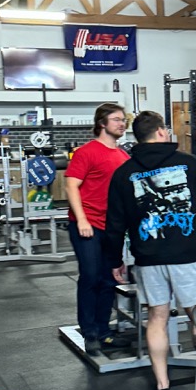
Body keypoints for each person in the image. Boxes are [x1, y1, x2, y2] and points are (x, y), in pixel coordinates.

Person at [105, 110, 196, 390]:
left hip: (148, 257)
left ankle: (163, 386)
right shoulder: (189, 163)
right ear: (160, 132)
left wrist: (115, 260)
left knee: (157, 318)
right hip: (187, 255)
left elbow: (115, 223)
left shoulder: (124, 172)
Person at [65, 102, 130, 355]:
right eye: (116, 119)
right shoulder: (86, 152)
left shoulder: (123, 156)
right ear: (102, 123)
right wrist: (82, 220)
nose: (122, 124)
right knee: (91, 276)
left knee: (108, 279)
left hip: (111, 227)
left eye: (123, 120)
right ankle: (89, 332)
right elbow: (71, 185)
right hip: (87, 224)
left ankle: (104, 331)